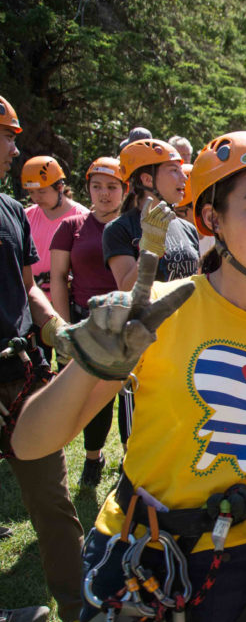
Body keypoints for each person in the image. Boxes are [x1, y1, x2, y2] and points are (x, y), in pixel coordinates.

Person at [16, 131, 246, 622]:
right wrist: (91, 366)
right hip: (139, 552)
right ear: (213, 220)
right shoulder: (155, 313)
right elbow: (31, 442)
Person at [0, 94, 83, 622]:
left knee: (51, 497)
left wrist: (62, 332)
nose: (14, 148)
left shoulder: (8, 210)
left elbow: (30, 287)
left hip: (18, 374)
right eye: (7, 137)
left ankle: (80, 607)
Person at [50, 157, 129, 486]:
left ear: (124, 190)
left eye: (112, 187)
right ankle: (93, 458)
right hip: (87, 321)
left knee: (131, 396)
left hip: (128, 322)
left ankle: (132, 458)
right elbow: (57, 277)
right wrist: (64, 329)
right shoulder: (72, 226)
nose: (104, 194)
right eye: (97, 186)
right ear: (87, 189)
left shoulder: (132, 226)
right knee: (94, 397)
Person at [104, 138, 200, 290]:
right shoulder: (119, 229)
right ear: (148, 180)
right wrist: (149, 250)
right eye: (174, 170)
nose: (184, 177)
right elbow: (127, 290)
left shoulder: (188, 228)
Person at [21, 156, 89, 300]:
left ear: (59, 187)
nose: (36, 198)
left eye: (41, 191)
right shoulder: (27, 216)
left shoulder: (82, 217)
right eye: (31, 192)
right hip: (32, 299)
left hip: (67, 299)